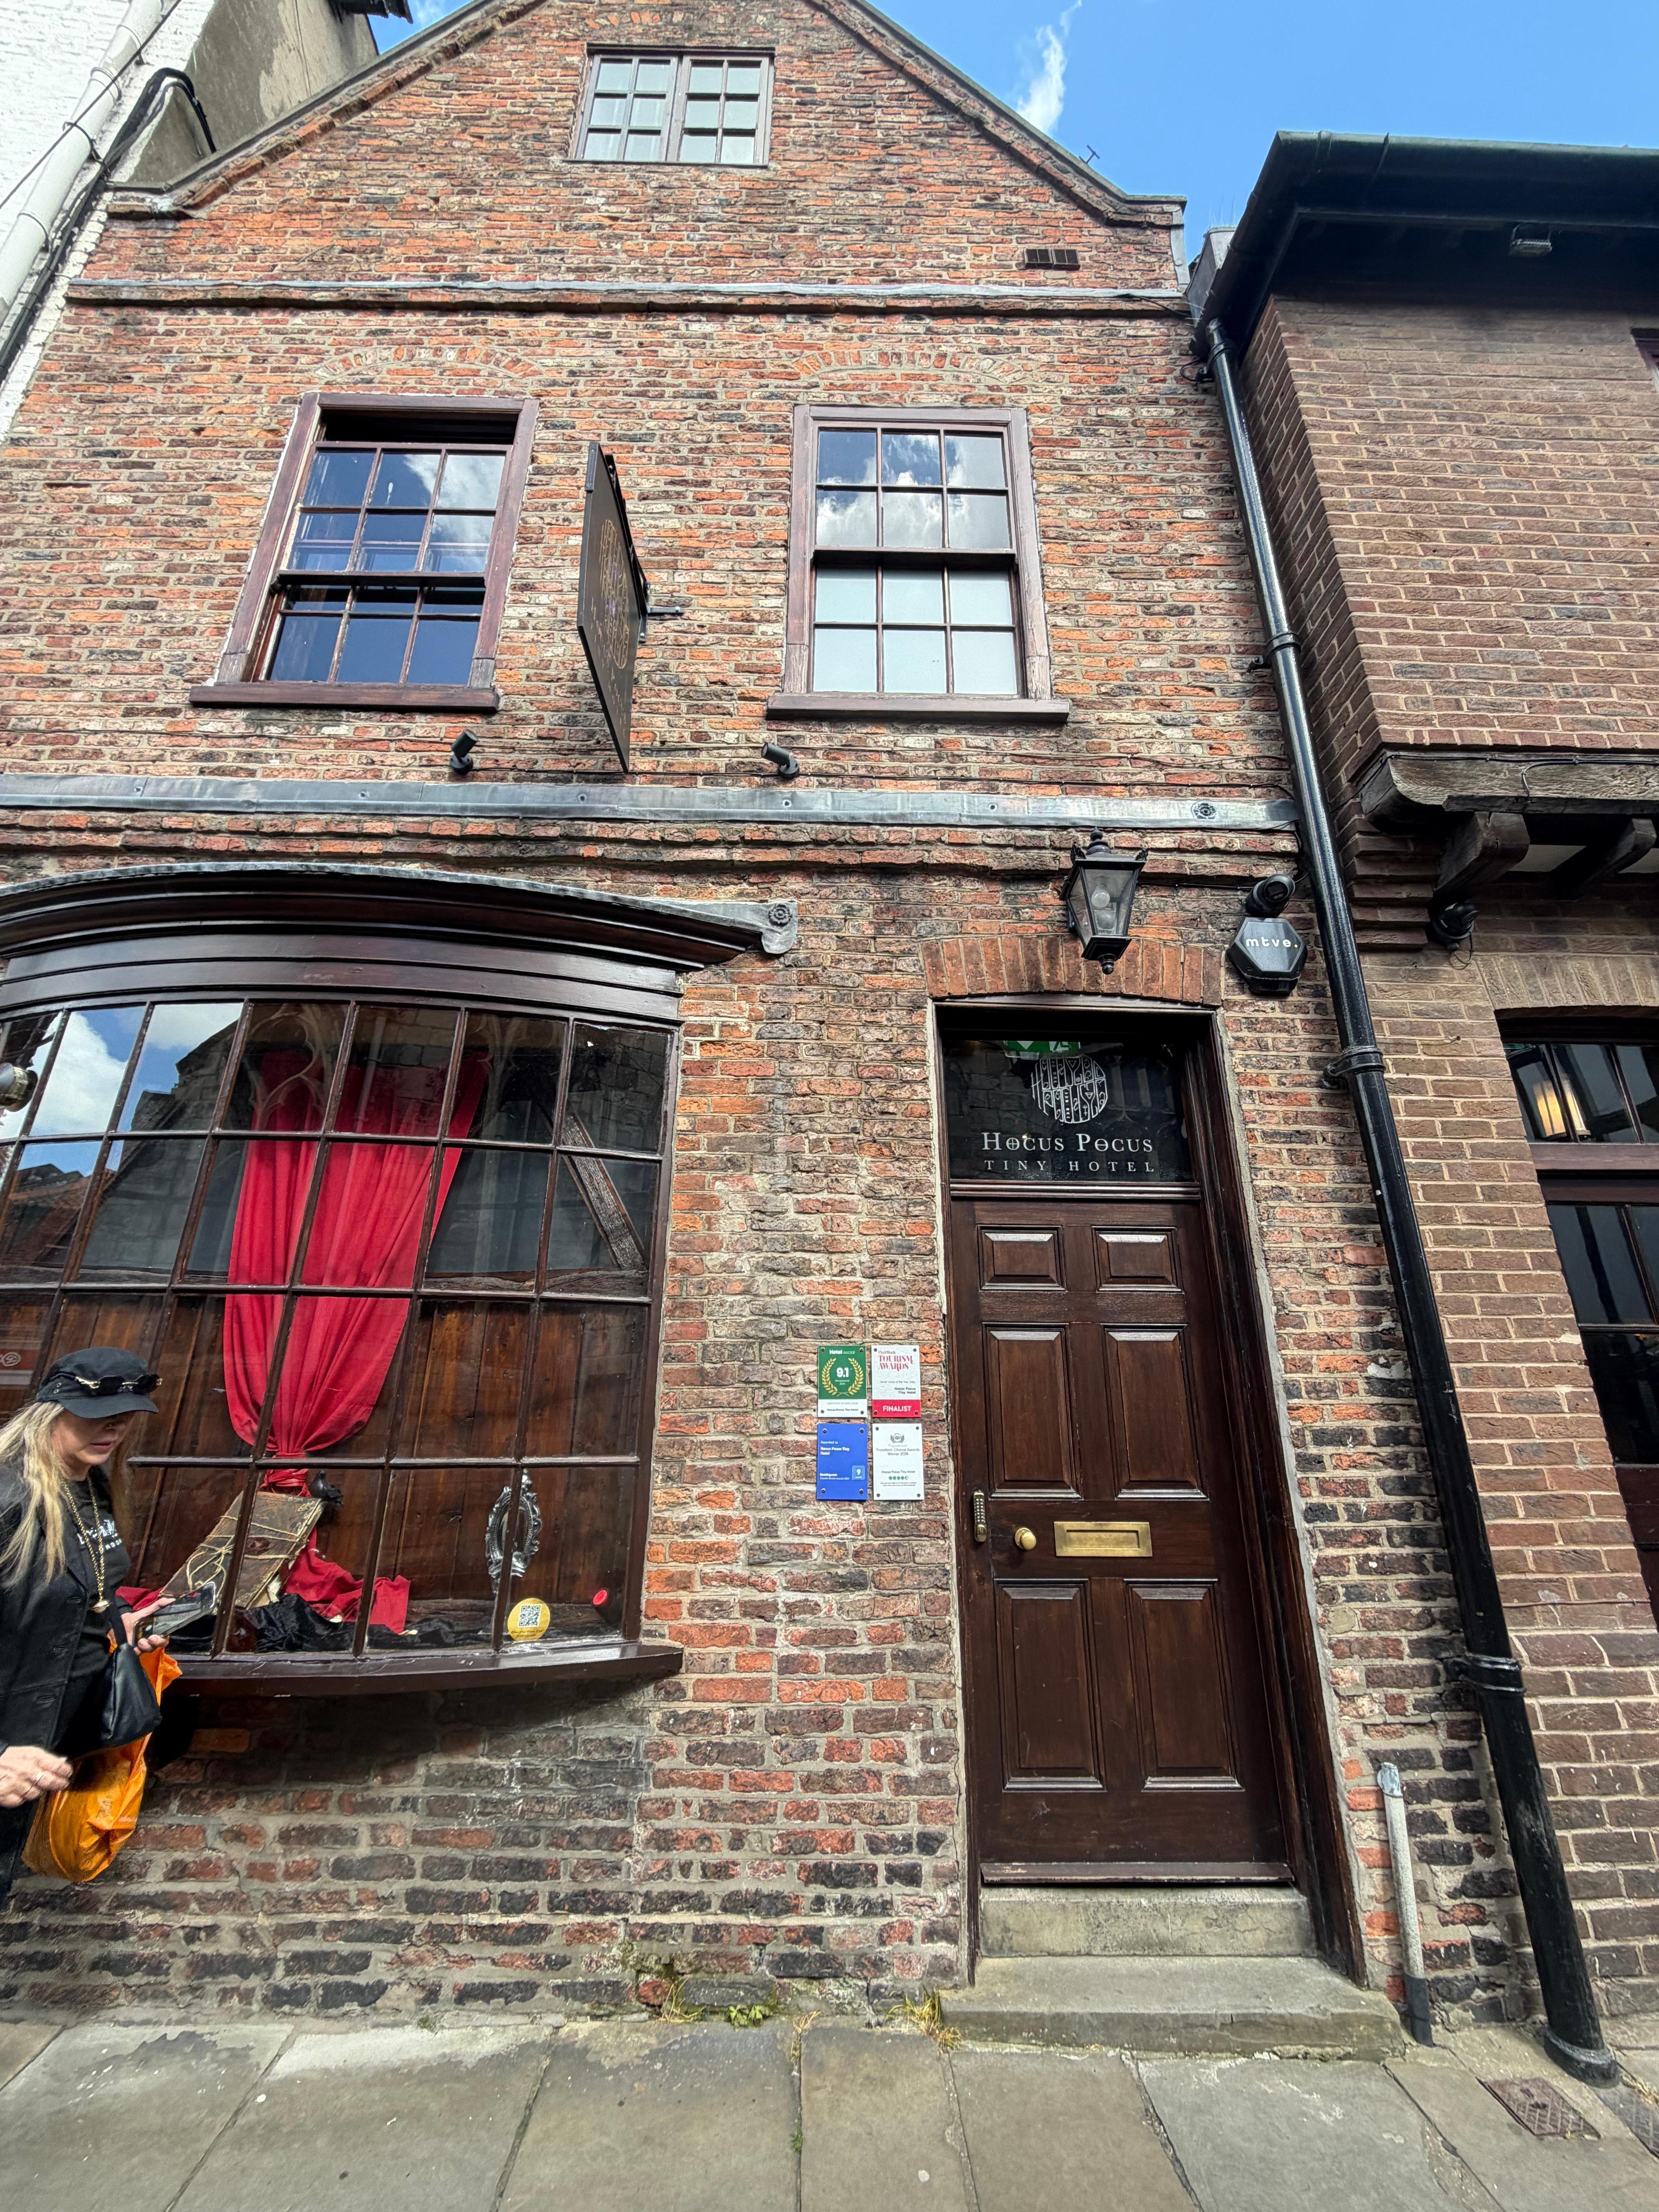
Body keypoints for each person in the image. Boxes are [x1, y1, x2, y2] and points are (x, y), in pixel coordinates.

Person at [0, 1347, 170, 1906]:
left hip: (37, 1751)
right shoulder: (9, 1498)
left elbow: (75, 1591)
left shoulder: (89, 1486)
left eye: (126, 1415)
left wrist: (116, 1621)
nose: (117, 1427)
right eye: (100, 1413)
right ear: (53, 1407)